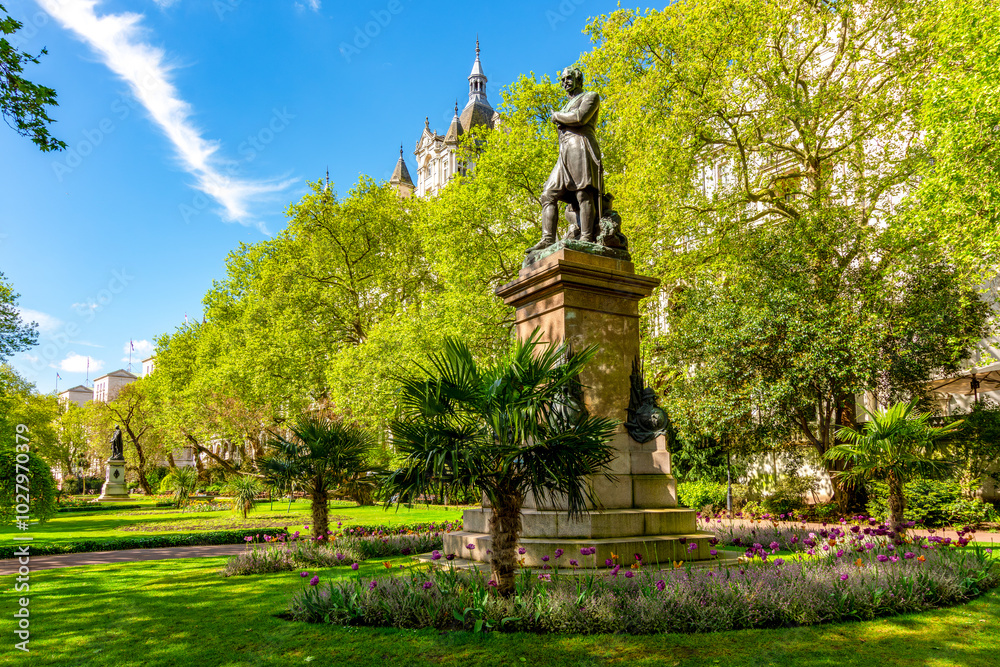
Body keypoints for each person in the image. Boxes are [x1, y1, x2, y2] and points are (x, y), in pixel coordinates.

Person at [528, 67, 603, 251]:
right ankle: (548, 239)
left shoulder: (590, 96)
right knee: (548, 193)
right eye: (562, 80)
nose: (564, 82)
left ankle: (586, 237)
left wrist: (556, 116)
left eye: (568, 78)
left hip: (581, 146)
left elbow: (579, 117)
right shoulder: (566, 105)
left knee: (583, 192)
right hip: (564, 153)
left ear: (578, 79)